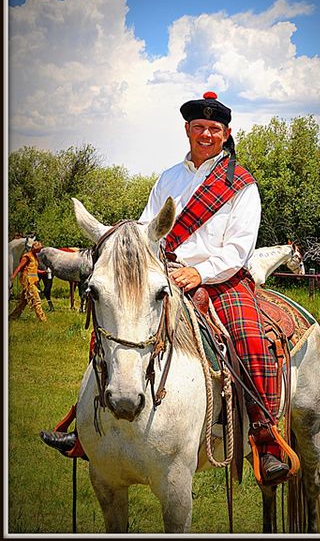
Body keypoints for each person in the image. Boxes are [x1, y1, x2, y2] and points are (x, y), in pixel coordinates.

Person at [40, 91, 289, 483]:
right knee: (116, 324)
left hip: (221, 278)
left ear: (226, 133)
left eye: (214, 128)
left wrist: (199, 274)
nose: (206, 134)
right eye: (199, 127)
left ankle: (265, 438)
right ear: (187, 130)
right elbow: (145, 232)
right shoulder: (169, 177)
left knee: (249, 337)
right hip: (163, 272)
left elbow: (239, 249)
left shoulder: (242, 185)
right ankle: (86, 426)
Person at [10, 241, 48, 323]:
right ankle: (42, 320)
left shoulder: (35, 257)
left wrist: (43, 272)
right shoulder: (27, 256)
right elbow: (20, 267)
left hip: (33, 280)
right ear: (34, 248)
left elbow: (34, 269)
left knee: (23, 302)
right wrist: (13, 277)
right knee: (37, 300)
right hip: (28, 281)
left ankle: (13, 316)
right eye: (39, 249)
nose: (40, 251)